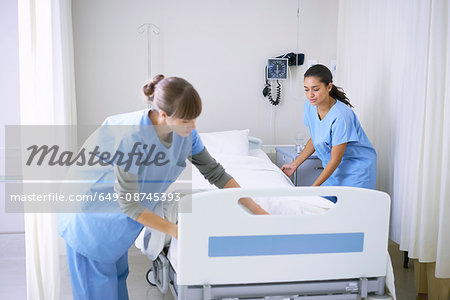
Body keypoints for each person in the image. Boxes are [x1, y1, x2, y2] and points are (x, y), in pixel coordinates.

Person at [58, 75, 268, 300]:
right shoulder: (131, 138)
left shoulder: (187, 134)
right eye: (187, 120)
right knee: (98, 291)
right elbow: (129, 204)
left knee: (115, 288)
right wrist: (178, 231)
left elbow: (214, 172)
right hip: (90, 219)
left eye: (195, 118)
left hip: (115, 223)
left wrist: (257, 211)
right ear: (164, 115)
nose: (194, 126)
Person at [281, 64, 377, 189]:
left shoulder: (341, 116)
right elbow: (316, 138)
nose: (310, 95)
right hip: (333, 171)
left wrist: (313, 189)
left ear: (329, 87)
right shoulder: (310, 106)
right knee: (322, 206)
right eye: (306, 89)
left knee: (347, 208)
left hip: (356, 172)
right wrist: (294, 164)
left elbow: (335, 160)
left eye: (315, 89)